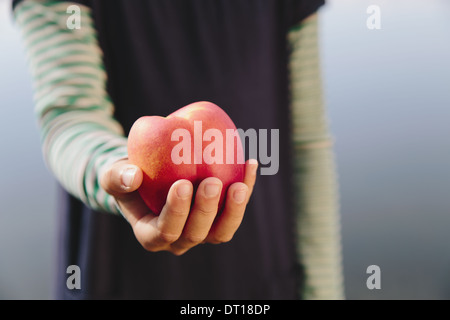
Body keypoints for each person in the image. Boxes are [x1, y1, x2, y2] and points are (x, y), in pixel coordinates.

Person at [13, 0, 344, 299]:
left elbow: (306, 143)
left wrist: (322, 290)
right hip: (118, 275)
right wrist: (118, 171)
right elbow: (70, 118)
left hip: (264, 271)